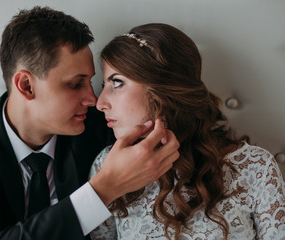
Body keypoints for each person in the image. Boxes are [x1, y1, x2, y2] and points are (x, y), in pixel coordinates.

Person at [0, 7, 180, 240]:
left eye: (91, 81)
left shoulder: (101, 125)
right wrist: (103, 189)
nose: (93, 99)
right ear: (26, 86)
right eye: (75, 84)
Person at [89, 23, 285, 239]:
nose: (100, 103)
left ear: (162, 89)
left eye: (116, 83)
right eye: (104, 84)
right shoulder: (106, 166)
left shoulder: (255, 166)